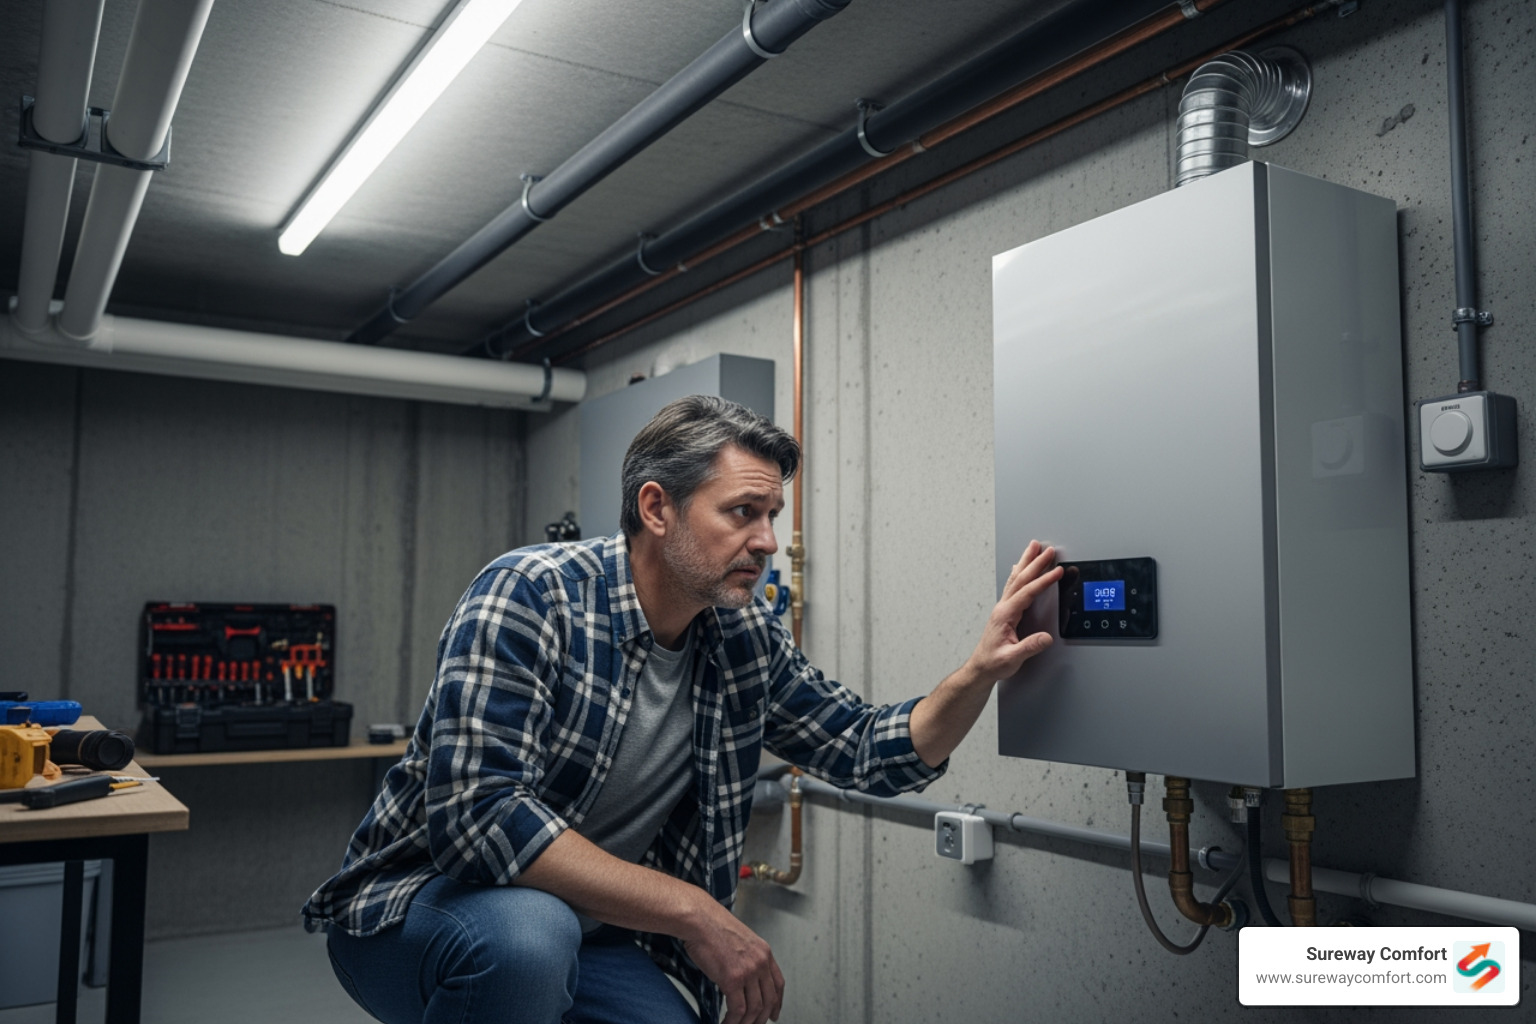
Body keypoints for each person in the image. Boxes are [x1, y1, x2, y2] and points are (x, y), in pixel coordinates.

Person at [304, 395, 1061, 1024]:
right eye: (742, 512)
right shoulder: (530, 594)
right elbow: (480, 818)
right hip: (421, 910)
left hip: (595, 931)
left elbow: (870, 750)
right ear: (657, 507)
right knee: (530, 941)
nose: (766, 541)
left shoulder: (741, 639)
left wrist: (979, 671)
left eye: (773, 515)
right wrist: (695, 911)